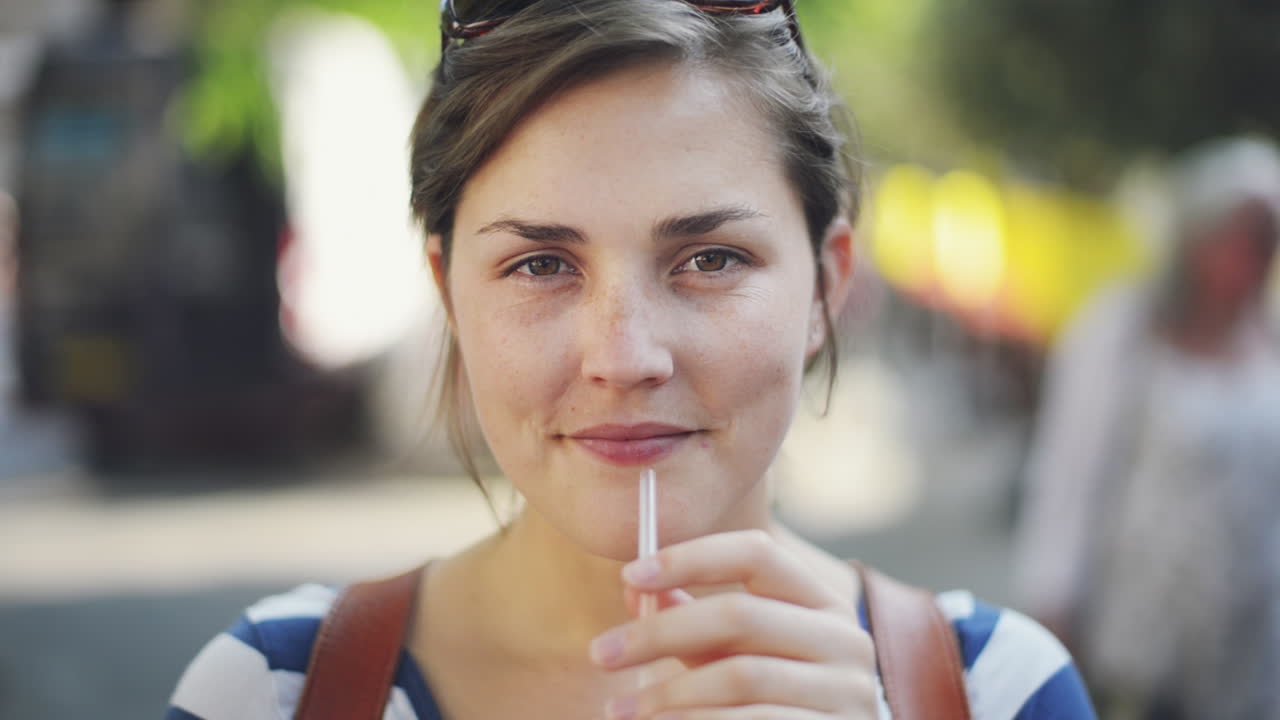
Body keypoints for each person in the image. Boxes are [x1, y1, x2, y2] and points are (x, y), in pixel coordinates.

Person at [168, 1, 1095, 718]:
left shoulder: (998, 689)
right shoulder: (272, 689)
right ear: (450, 293)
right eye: (541, 264)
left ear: (825, 287)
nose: (624, 356)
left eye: (710, 260)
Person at [1013, 136, 1280, 720]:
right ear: (1196, 238)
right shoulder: (1122, 333)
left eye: (1265, 242)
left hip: (1251, 654)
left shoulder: (1270, 345)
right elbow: (1068, 476)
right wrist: (1055, 610)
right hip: (1138, 645)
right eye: (1239, 238)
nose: (1252, 258)